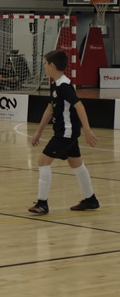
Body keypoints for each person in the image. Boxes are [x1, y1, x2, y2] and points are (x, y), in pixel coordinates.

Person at [28, 49, 99, 215]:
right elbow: (50, 108)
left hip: (66, 133)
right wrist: (38, 131)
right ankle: (91, 200)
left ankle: (42, 203)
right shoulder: (56, 84)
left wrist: (87, 129)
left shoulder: (64, 86)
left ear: (52, 66)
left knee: (43, 161)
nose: (44, 66)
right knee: (76, 164)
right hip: (66, 132)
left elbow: (79, 106)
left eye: (45, 64)